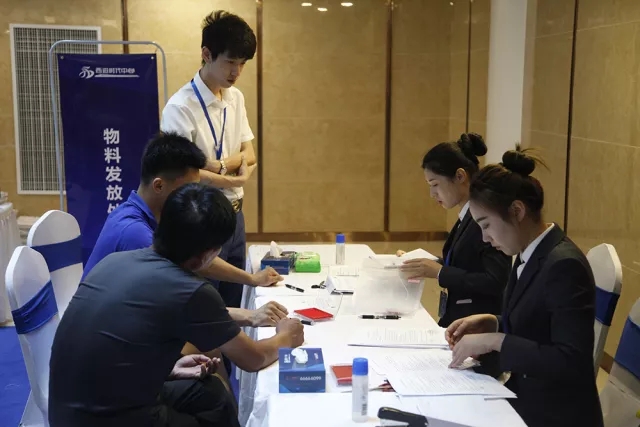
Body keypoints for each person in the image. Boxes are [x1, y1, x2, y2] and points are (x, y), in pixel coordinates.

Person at [49, 183, 305, 427]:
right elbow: (254, 358)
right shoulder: (192, 290)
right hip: (108, 418)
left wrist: (167, 369)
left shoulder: (114, 261)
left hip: (70, 411)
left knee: (211, 394)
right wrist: (287, 335)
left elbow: (110, 350)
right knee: (215, 408)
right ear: (209, 254)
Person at [445, 147, 603, 427]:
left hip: (555, 414)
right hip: (528, 397)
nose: (484, 238)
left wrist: (495, 340)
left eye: (486, 225)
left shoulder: (564, 265)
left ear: (517, 211)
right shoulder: (530, 252)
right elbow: (540, 323)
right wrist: (494, 322)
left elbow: (570, 360)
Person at [85, 132, 287, 331]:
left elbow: (199, 260)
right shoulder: (135, 233)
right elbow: (180, 305)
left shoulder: (148, 214)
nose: (192, 198)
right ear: (159, 186)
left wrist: (251, 279)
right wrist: (250, 316)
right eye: (187, 190)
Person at [161, 10, 257, 310]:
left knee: (233, 302)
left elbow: (250, 154)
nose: (236, 72)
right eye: (230, 62)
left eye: (242, 64)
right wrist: (232, 173)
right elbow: (185, 174)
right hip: (200, 219)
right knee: (205, 306)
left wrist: (216, 166)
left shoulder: (235, 98)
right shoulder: (180, 107)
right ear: (206, 54)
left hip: (235, 215)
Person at [398, 133, 511, 327]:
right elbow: (467, 261)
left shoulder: (483, 220)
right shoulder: (467, 216)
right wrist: (424, 263)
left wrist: (440, 272)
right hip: (459, 319)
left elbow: (495, 280)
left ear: (460, 176)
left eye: (435, 184)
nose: (432, 194)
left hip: (477, 323)